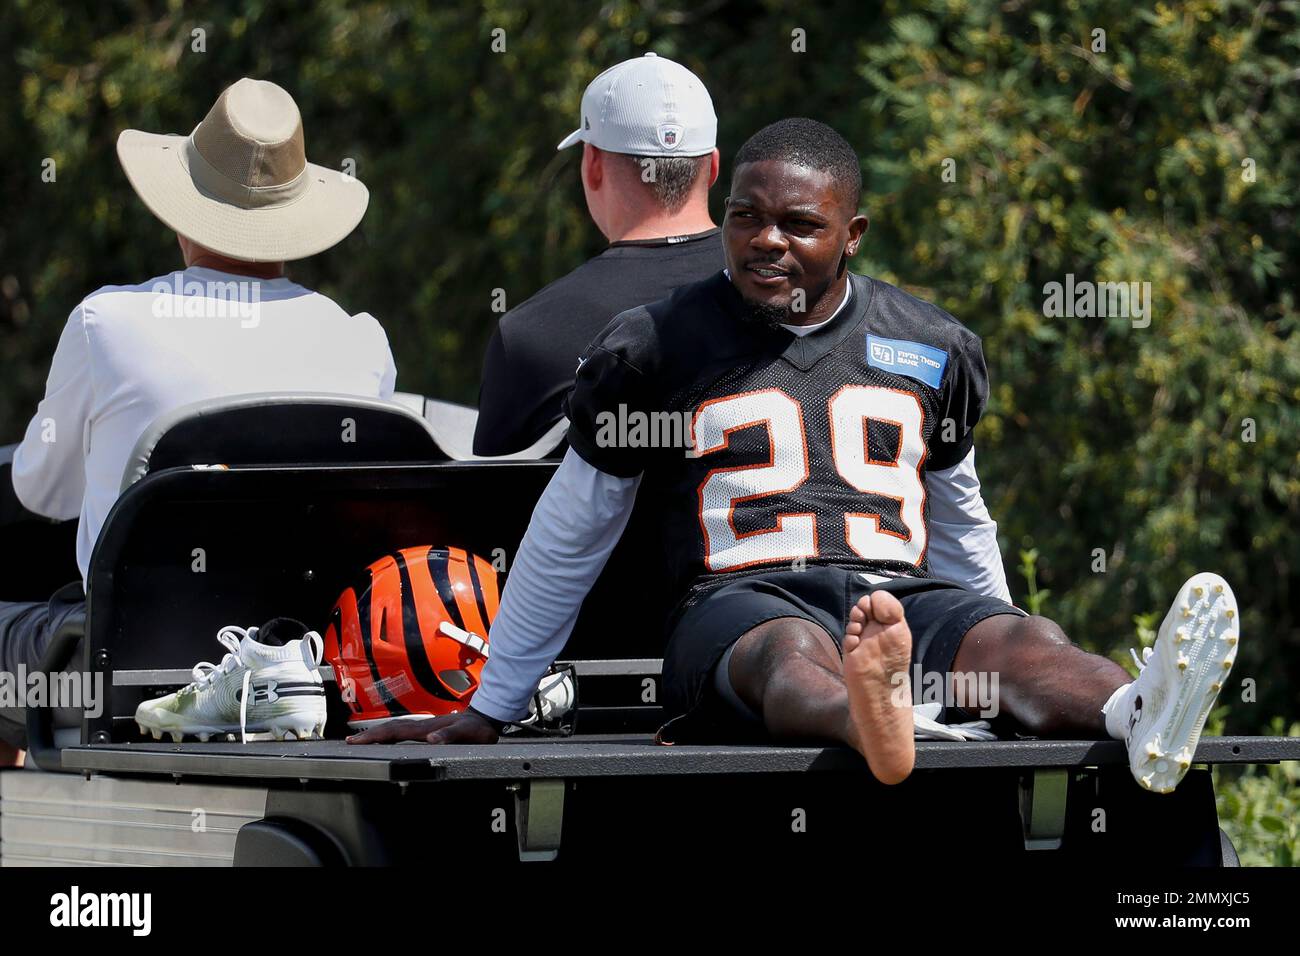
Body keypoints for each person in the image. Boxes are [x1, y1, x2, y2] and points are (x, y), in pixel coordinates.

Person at [352, 119, 1241, 796]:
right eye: (744, 217)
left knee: (1027, 641)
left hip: (899, 595)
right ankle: (872, 718)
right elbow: (573, 527)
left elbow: (961, 517)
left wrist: (995, 648)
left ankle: (1140, 709)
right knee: (789, 653)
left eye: (797, 224)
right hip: (738, 601)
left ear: (852, 234)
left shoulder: (931, 343)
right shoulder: (654, 346)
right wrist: (492, 706)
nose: (765, 240)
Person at [0, 78, 396, 754]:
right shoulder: (361, 340)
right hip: (300, 678)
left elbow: (40, 492)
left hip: (115, 683)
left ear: (182, 211)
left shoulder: (107, 324)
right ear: (296, 221)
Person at [473, 53, 724, 456]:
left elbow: (492, 511)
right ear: (712, 167)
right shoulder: (800, 302)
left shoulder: (529, 336)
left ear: (592, 164)